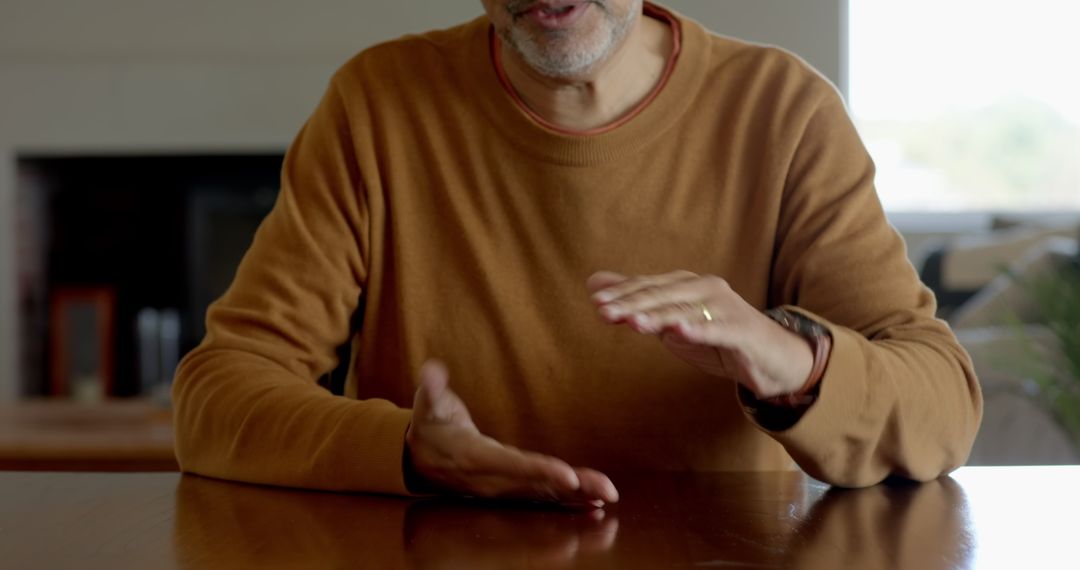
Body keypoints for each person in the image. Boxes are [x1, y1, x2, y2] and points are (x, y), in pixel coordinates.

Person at [172, 0, 983, 507]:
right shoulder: (376, 106)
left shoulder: (784, 112)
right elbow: (217, 394)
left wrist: (791, 360)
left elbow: (944, 406)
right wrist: (407, 452)